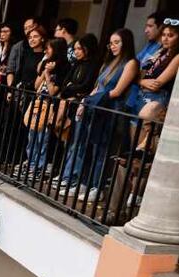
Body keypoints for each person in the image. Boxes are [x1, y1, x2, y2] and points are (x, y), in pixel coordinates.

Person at [59, 29, 138, 201]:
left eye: (117, 42)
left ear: (126, 42)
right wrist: (85, 102)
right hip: (95, 107)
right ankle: (83, 182)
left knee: (102, 150)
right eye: (111, 43)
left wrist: (91, 101)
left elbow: (117, 92)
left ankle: (97, 186)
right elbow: (97, 86)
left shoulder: (130, 63)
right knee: (87, 146)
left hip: (109, 109)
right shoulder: (109, 62)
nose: (113, 46)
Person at [24, 38, 69, 176]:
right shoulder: (46, 64)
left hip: (50, 105)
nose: (45, 51)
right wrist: (44, 70)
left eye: (48, 48)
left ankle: (40, 167)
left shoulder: (63, 67)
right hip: (38, 101)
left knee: (43, 139)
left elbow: (53, 91)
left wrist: (49, 74)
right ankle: (31, 163)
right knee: (32, 136)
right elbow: (37, 86)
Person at [129, 23, 177, 151]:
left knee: (143, 149)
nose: (165, 38)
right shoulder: (160, 52)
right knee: (134, 145)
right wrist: (141, 81)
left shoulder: (177, 56)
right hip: (141, 96)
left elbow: (157, 84)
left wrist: (140, 80)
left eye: (170, 35)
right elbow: (140, 72)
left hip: (156, 98)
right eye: (164, 35)